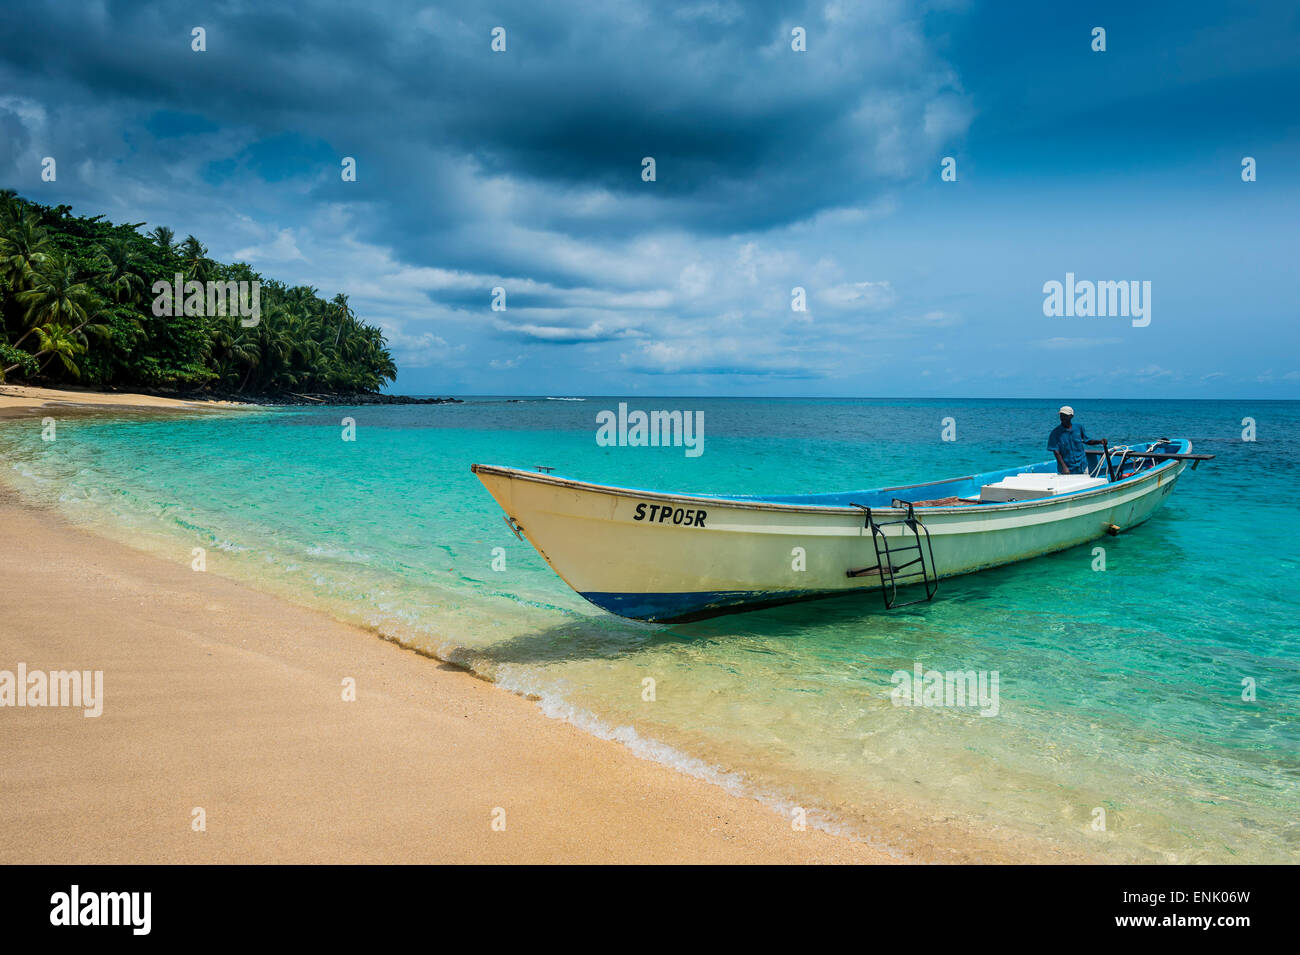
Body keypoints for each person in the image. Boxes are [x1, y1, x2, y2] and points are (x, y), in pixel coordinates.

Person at [1048, 406, 1106, 475]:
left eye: (1065, 416)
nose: (1063, 418)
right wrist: (1064, 467)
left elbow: (1087, 440)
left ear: (1071, 416)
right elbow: (1056, 452)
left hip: (1082, 465)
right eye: (1061, 415)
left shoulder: (1079, 427)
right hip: (1067, 468)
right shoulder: (1055, 433)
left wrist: (1099, 442)